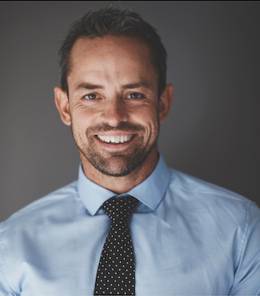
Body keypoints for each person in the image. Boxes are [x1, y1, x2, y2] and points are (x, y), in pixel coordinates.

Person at [0, 7, 259, 296]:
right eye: (91, 96)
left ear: (163, 102)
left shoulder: (242, 231)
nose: (114, 116)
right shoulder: (10, 245)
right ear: (64, 106)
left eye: (134, 94)